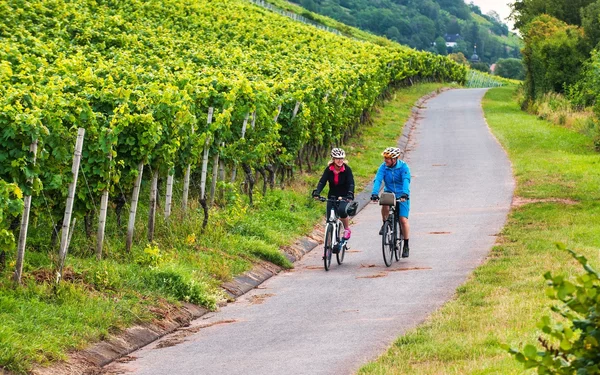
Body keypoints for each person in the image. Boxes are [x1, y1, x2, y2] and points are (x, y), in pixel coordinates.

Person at [370, 147, 411, 257]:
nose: (385, 160)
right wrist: (374, 193)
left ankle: (406, 245)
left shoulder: (403, 167)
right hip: (389, 192)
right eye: (385, 158)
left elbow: (406, 180)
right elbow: (378, 179)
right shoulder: (383, 167)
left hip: (402, 194)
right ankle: (385, 223)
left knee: (403, 220)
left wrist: (405, 194)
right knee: (384, 202)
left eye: (388, 158)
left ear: (394, 159)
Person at [312, 148, 355, 240]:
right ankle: (329, 244)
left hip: (344, 196)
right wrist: (317, 192)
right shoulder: (329, 170)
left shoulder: (347, 170)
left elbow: (351, 183)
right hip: (332, 196)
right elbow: (322, 182)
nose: (340, 161)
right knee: (329, 219)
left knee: (342, 211)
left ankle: (347, 229)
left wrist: (350, 194)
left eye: (341, 158)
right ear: (333, 159)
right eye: (337, 158)